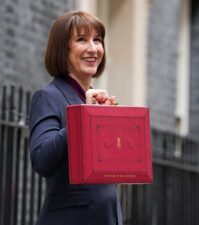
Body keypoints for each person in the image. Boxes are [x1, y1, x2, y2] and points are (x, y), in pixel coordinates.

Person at [28, 10, 123, 225]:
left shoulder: (98, 101)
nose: (93, 48)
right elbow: (41, 160)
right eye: (82, 39)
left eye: (97, 40)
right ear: (63, 49)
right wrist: (84, 117)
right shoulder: (48, 97)